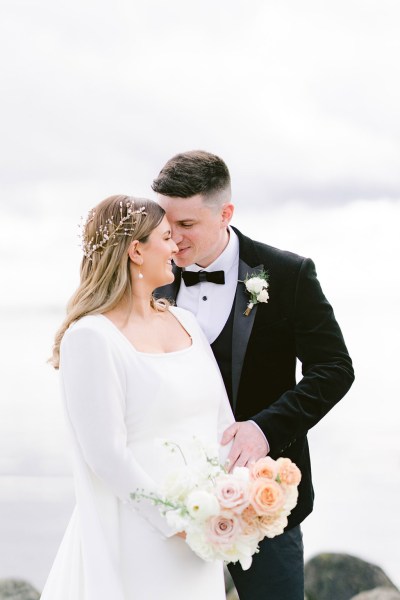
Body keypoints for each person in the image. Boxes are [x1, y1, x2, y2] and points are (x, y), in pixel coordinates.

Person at [152, 150, 355, 600]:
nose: (172, 237)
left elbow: (335, 369)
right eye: (165, 222)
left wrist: (266, 430)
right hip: (168, 497)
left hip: (263, 497)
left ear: (225, 213)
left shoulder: (287, 274)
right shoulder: (148, 276)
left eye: (186, 225)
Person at [41, 195, 235, 600]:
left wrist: (232, 498)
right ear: (136, 251)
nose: (176, 246)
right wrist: (175, 521)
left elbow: (222, 421)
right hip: (139, 534)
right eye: (166, 237)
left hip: (203, 534)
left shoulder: (185, 321)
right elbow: (107, 456)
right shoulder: (91, 338)